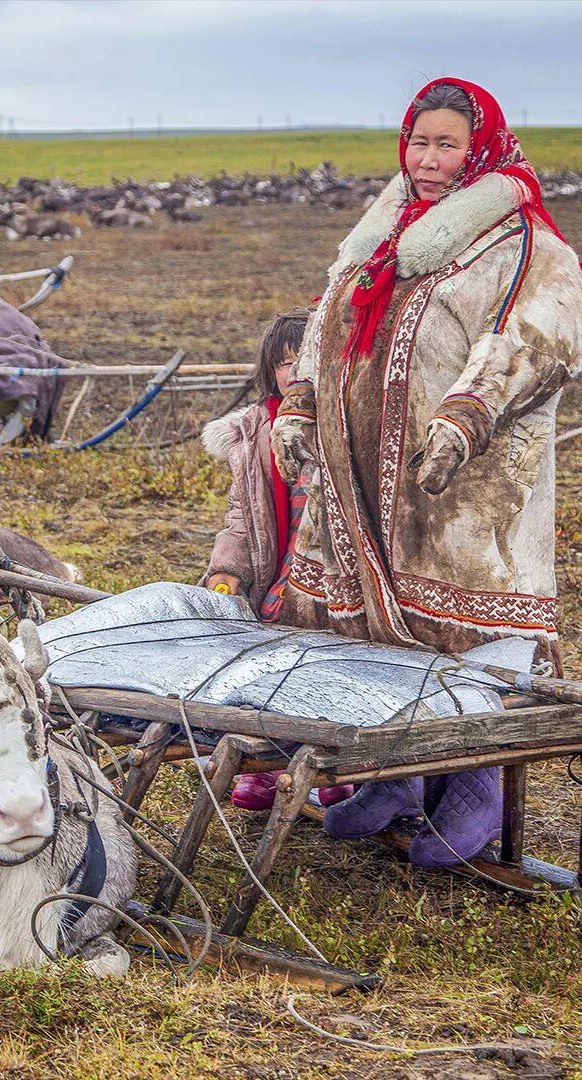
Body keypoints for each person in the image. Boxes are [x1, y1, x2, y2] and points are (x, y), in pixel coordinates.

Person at [268, 78, 582, 866]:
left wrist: (468, 412)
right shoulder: (377, 238)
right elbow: (328, 319)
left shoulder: (522, 246)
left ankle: (474, 780)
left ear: (479, 150)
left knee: (465, 628)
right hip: (359, 483)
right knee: (367, 625)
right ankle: (397, 778)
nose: (429, 159)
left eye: (447, 143)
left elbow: (539, 333)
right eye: (419, 141)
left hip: (465, 487)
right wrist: (302, 404)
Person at [201, 308, 352, 811]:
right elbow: (242, 515)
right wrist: (228, 569)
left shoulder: (345, 419)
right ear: (270, 371)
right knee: (271, 660)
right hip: (280, 567)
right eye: (283, 363)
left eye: (303, 359)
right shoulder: (254, 432)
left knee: (335, 662)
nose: (293, 372)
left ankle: (338, 768)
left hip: (339, 570)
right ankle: (270, 761)